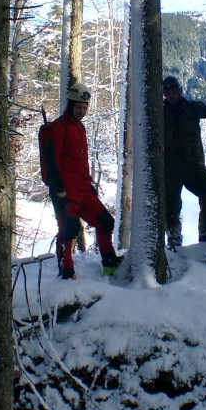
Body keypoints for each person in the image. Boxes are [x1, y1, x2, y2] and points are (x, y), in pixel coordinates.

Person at [47, 83, 122, 279]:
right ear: (71, 105)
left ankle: (110, 265)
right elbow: (52, 160)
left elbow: (80, 160)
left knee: (105, 222)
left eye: (85, 107)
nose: (82, 111)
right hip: (66, 191)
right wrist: (59, 189)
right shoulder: (58, 127)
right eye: (78, 107)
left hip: (83, 190)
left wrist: (88, 183)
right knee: (68, 231)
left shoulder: (80, 128)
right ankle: (67, 271)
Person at [162, 76, 206, 249]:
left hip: (192, 165)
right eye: (167, 93)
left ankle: (205, 231)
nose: (171, 96)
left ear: (180, 91)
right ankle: (174, 240)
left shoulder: (193, 108)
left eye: (173, 92)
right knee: (171, 207)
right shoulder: (159, 113)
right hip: (169, 168)